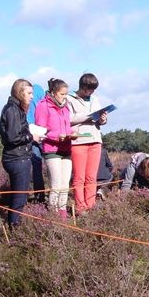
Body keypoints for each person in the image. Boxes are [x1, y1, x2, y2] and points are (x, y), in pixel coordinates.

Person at [0, 79, 41, 226]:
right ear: (20, 92)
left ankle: (14, 224)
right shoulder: (12, 109)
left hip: (18, 157)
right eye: (29, 93)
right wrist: (32, 137)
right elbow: (13, 137)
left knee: (19, 196)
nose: (31, 96)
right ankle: (15, 228)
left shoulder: (16, 109)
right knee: (20, 197)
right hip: (17, 158)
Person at [68, 73, 107, 214]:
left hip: (95, 140)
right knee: (79, 177)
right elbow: (69, 118)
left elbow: (100, 121)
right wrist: (88, 117)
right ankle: (80, 207)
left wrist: (102, 118)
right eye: (90, 89)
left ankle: (91, 205)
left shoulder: (95, 99)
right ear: (83, 87)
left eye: (94, 89)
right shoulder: (69, 98)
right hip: (79, 141)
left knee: (91, 177)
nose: (92, 92)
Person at [35, 78, 74, 219]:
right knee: (56, 183)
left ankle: (62, 213)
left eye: (66, 94)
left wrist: (71, 135)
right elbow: (40, 131)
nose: (65, 97)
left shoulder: (66, 107)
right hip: (51, 149)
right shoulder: (43, 106)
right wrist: (56, 137)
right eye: (62, 94)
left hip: (66, 148)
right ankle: (53, 213)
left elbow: (67, 126)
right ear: (53, 92)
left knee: (65, 184)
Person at [26, 84, 47, 203]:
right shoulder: (40, 91)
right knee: (40, 166)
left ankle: (38, 196)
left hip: (31, 134)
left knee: (34, 167)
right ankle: (40, 197)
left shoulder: (28, 96)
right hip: (42, 133)